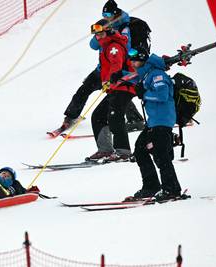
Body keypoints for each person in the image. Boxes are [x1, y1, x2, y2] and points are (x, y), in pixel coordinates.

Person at [61, 0, 144, 132]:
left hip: (118, 70)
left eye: (108, 14)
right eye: (104, 14)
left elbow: (125, 47)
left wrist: (112, 34)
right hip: (102, 69)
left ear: (115, 13)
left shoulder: (124, 27)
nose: (105, 16)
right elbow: (93, 46)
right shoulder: (104, 25)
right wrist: (100, 33)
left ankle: (136, 119)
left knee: (118, 94)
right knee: (85, 89)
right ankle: (71, 116)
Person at [129, 47, 183, 201]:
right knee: (140, 150)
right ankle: (151, 186)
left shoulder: (157, 74)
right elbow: (132, 79)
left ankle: (172, 189)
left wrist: (144, 93)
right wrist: (118, 76)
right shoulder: (146, 74)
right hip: (153, 122)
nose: (132, 63)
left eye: (135, 60)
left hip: (163, 121)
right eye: (131, 61)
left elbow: (162, 95)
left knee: (161, 155)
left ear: (143, 60)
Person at [86, 19, 136, 161]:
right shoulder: (106, 46)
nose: (98, 37)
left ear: (108, 32)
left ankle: (123, 152)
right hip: (115, 87)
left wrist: (110, 80)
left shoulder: (114, 46)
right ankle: (105, 150)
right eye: (96, 35)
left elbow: (117, 66)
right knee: (98, 116)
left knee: (115, 116)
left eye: (101, 34)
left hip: (124, 86)